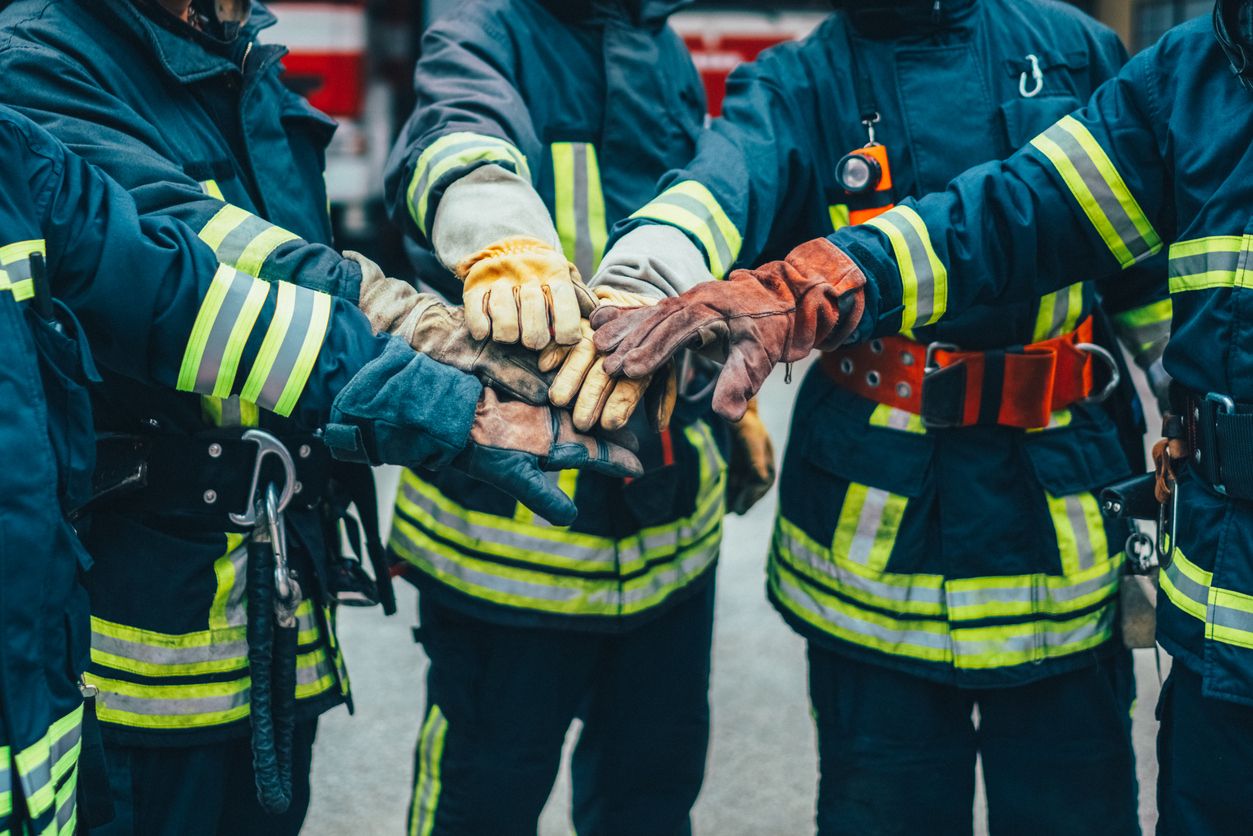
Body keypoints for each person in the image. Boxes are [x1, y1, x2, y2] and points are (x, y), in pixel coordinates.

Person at [596, 2, 1253, 833]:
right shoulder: (800, 78)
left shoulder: (1070, 49)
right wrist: (640, 281)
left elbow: (1142, 277)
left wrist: (1190, 408)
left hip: (1062, 535)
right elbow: (722, 182)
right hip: (878, 567)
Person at [0, 0, 637, 830]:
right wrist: (422, 335)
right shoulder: (40, 58)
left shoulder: (232, 51)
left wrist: (443, 396)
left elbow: (227, 294)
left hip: (269, 609)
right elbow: (198, 259)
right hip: (143, 636)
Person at [380, 0, 775, 833]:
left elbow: (692, 233)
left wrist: (708, 392)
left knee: (649, 804)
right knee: (477, 808)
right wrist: (500, 242)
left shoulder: (658, 46)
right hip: (506, 550)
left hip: (666, 543)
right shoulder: (483, 25)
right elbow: (454, 134)